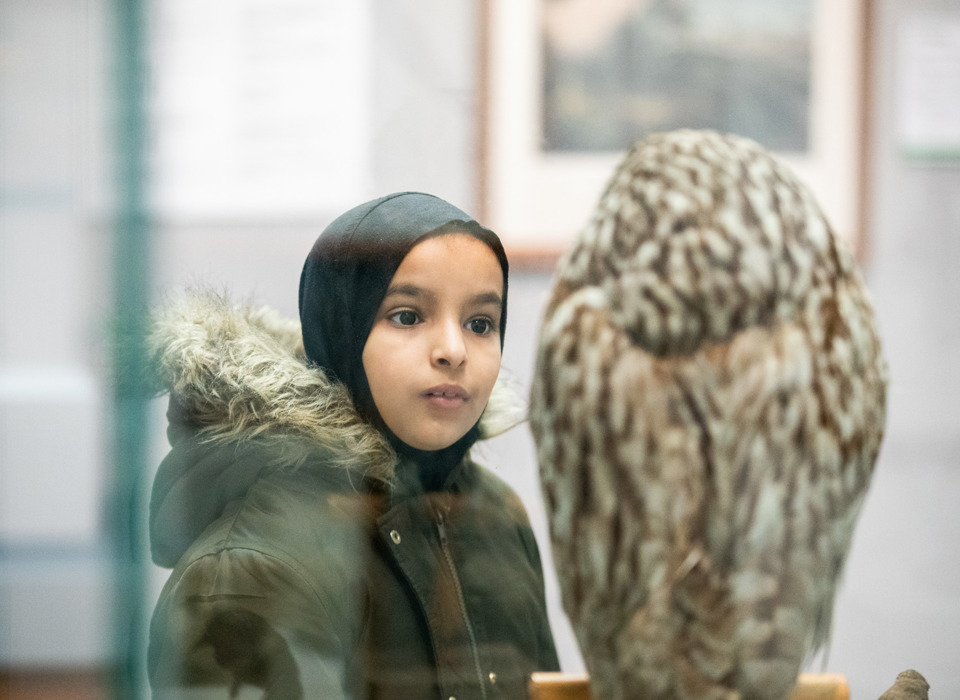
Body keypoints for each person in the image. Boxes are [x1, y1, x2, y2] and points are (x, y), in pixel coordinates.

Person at [147, 192, 560, 699]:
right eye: (408, 316)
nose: (454, 351)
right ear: (340, 328)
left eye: (480, 324)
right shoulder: (250, 567)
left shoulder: (496, 514)